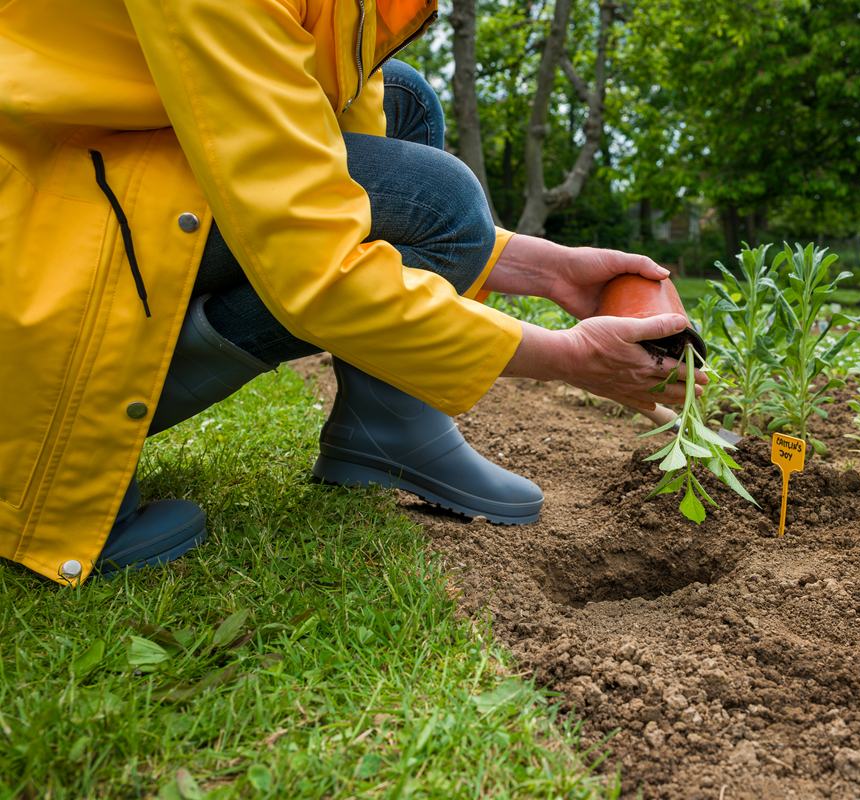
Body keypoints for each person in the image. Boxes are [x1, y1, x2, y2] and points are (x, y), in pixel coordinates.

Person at [0, 0, 702, 585]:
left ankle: (388, 430)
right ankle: (56, 435)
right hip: (33, 215)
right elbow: (315, 259)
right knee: (445, 198)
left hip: (102, 150)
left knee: (405, 102)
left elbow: (343, 170)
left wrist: (549, 271)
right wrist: (567, 358)